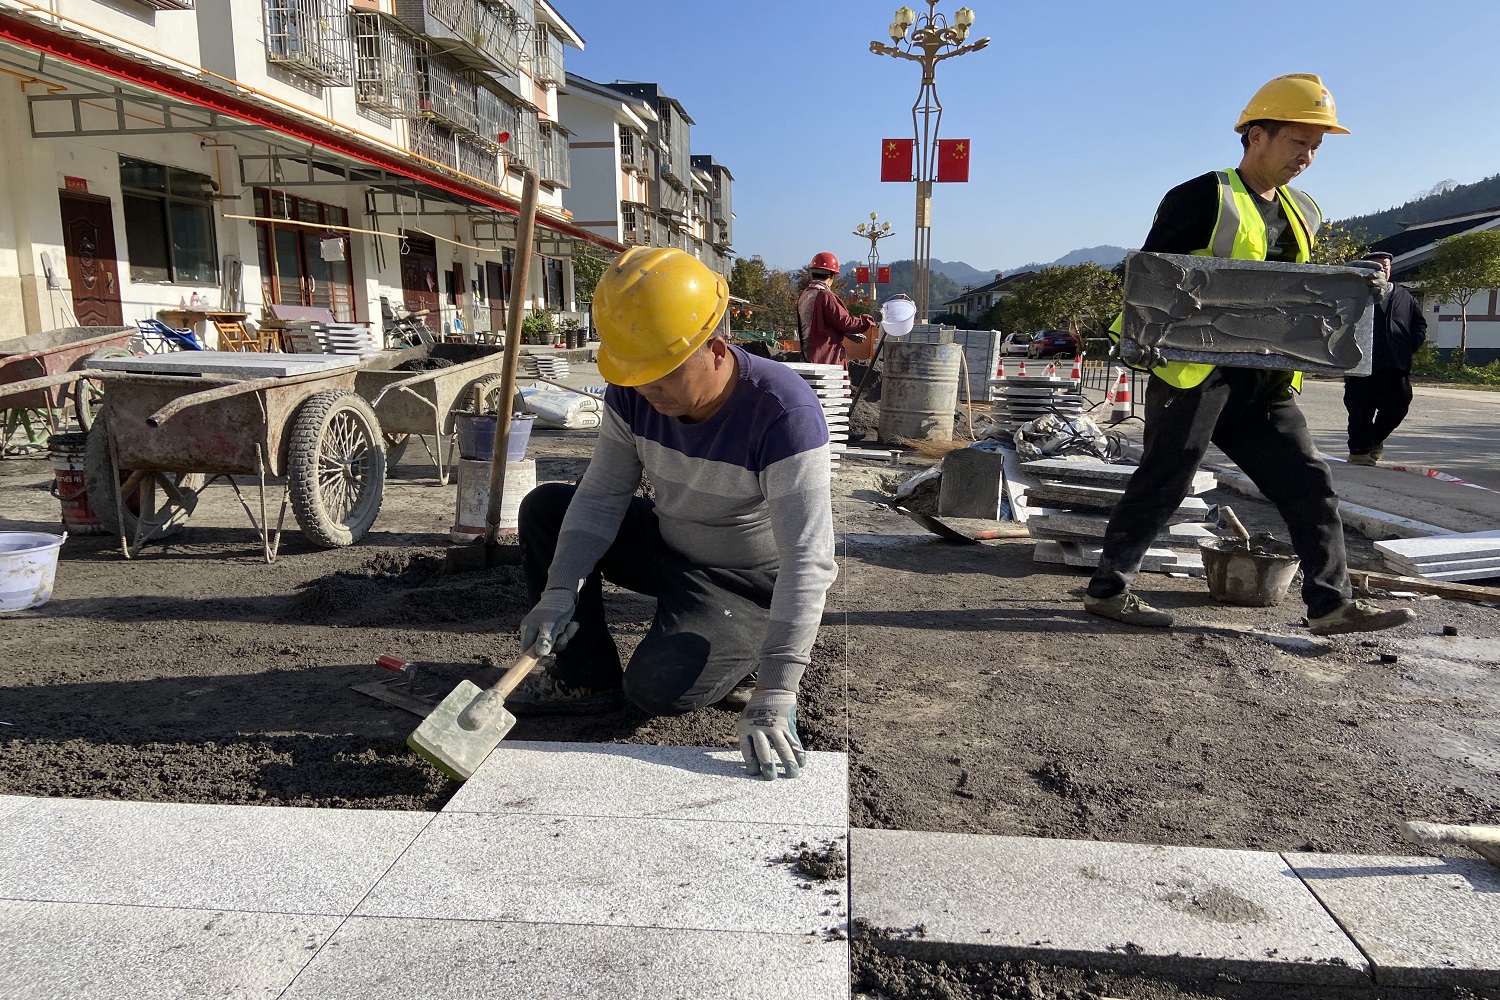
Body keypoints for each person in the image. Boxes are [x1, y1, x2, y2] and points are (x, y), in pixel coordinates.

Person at [1085, 73, 1412, 638]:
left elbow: (1300, 289)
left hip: (1265, 379)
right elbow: (1150, 282)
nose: (1307, 157)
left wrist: (1360, 284)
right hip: (1195, 374)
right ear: (1255, 136)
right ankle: (1109, 589)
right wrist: (1138, 345)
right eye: (1297, 143)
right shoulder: (1201, 197)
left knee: (1308, 481)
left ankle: (1330, 604)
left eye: (1315, 147)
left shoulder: (1303, 210)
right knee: (1166, 477)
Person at [514, 246, 838, 781]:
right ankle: (585, 678)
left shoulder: (783, 414)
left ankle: (745, 658)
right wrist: (557, 593)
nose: (646, 390)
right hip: (670, 543)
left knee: (656, 690)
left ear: (715, 347)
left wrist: (778, 690)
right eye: (634, 373)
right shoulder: (634, 394)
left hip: (743, 579)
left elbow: (808, 561)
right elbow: (600, 498)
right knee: (548, 508)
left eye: (661, 374)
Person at [1344, 250, 1427, 465]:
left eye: (1386, 266)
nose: (1382, 270)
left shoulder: (1403, 295)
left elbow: (1419, 323)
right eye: (1377, 266)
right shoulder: (1353, 292)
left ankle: (1375, 440)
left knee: (1399, 403)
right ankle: (1360, 451)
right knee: (1360, 406)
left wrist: (1410, 345)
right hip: (1360, 358)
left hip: (1395, 361)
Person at [797, 251, 877, 366]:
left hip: (809, 354)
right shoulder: (825, 295)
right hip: (825, 356)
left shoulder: (805, 294)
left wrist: (846, 333)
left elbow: (823, 323)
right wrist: (870, 319)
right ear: (832, 275)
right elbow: (845, 322)